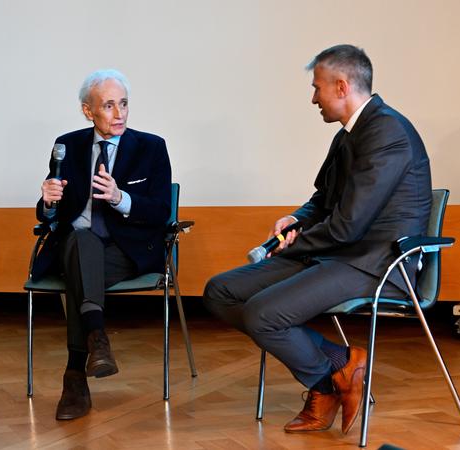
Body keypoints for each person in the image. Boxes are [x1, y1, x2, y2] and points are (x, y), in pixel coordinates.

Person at [203, 44, 432, 435]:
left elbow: (348, 225)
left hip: (377, 261)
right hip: (338, 253)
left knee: (263, 314)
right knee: (220, 291)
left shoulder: (387, 131)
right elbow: (322, 201)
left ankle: (323, 385)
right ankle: (339, 367)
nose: (313, 98)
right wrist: (297, 218)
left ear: (341, 86)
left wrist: (297, 243)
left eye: (317, 88)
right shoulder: (348, 134)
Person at [33, 69, 172, 420]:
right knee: (82, 241)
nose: (119, 113)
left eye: (123, 104)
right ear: (87, 111)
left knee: (82, 271)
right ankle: (97, 338)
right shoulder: (67, 145)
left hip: (126, 252)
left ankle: (75, 376)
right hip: (74, 246)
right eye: (108, 105)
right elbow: (51, 214)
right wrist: (48, 201)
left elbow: (160, 212)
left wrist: (120, 197)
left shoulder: (151, 147)